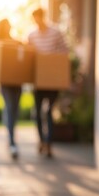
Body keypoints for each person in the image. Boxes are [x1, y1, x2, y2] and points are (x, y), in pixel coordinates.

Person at [28, 8, 68, 158]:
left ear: (43, 17)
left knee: (48, 111)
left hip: (52, 80)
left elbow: (64, 53)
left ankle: (49, 143)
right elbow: (29, 57)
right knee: (38, 112)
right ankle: (41, 141)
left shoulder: (55, 33)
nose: (36, 21)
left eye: (38, 18)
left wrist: (52, 62)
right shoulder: (31, 35)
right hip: (37, 81)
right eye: (34, 19)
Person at [0, 18, 22, 159]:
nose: (9, 27)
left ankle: (11, 135)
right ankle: (12, 141)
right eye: (7, 25)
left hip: (17, 81)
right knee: (10, 108)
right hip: (5, 82)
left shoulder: (16, 42)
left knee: (15, 110)